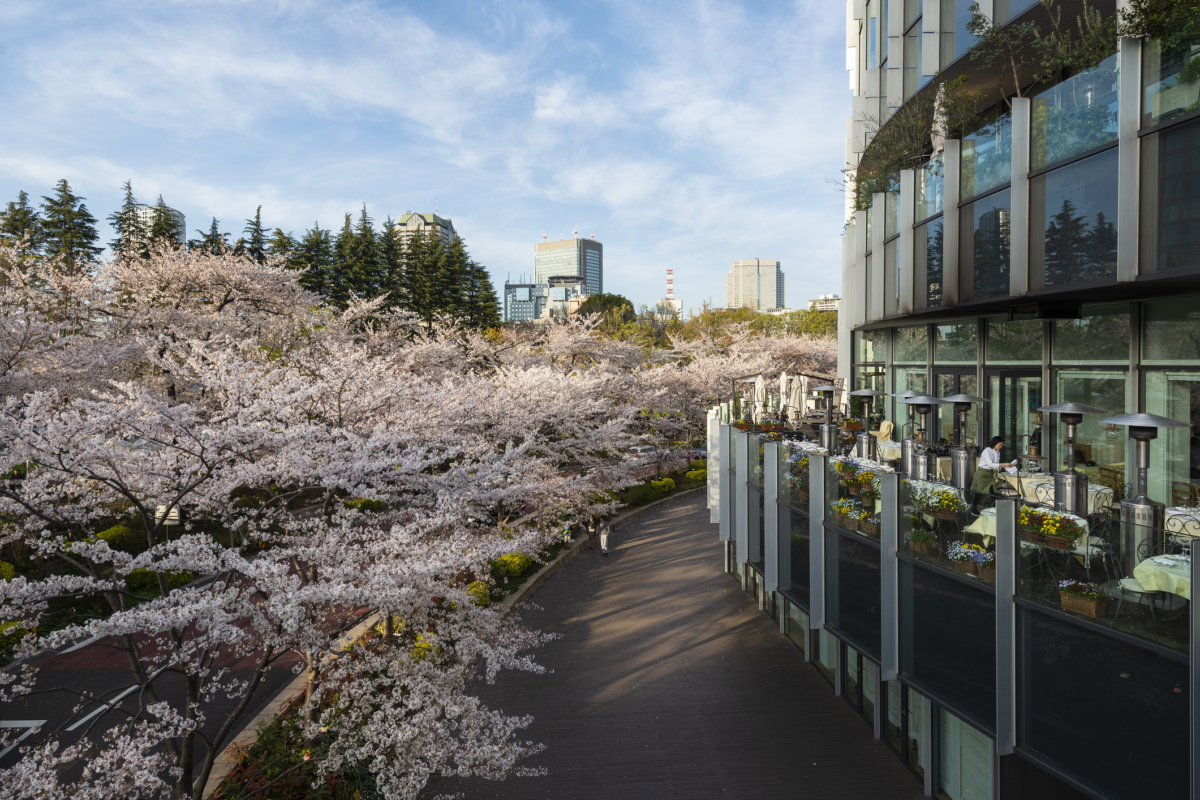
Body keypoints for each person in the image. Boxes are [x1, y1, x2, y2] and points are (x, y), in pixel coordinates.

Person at [971, 436, 1015, 504]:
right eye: (1000, 444)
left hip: (990, 474)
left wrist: (1007, 467)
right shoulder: (987, 451)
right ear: (995, 443)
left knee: (993, 491)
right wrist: (1004, 464)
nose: (1001, 446)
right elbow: (990, 464)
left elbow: (996, 464)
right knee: (978, 492)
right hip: (982, 474)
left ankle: (995, 508)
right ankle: (973, 508)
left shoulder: (997, 452)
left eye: (1002, 445)